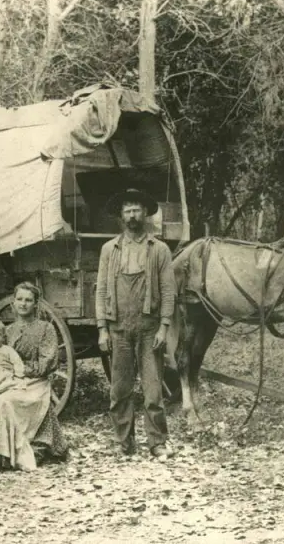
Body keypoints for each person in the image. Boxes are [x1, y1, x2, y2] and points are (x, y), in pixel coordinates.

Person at [95, 188, 176, 460]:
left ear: (145, 213)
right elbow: (101, 289)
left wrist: (164, 326)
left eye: (136, 209)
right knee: (119, 389)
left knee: (153, 390)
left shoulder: (159, 249)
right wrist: (102, 328)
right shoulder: (109, 250)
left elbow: (168, 290)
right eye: (127, 210)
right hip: (118, 328)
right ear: (121, 215)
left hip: (149, 328)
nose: (132, 215)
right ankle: (124, 441)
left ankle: (157, 442)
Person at [5, 282, 69, 464]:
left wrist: (19, 369)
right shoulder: (8, 331)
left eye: (28, 300)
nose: (23, 304)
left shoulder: (45, 329)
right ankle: (4, 448)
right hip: (12, 380)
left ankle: (36, 444)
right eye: (19, 299)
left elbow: (45, 364)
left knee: (19, 400)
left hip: (36, 381)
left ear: (35, 304)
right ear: (13, 303)